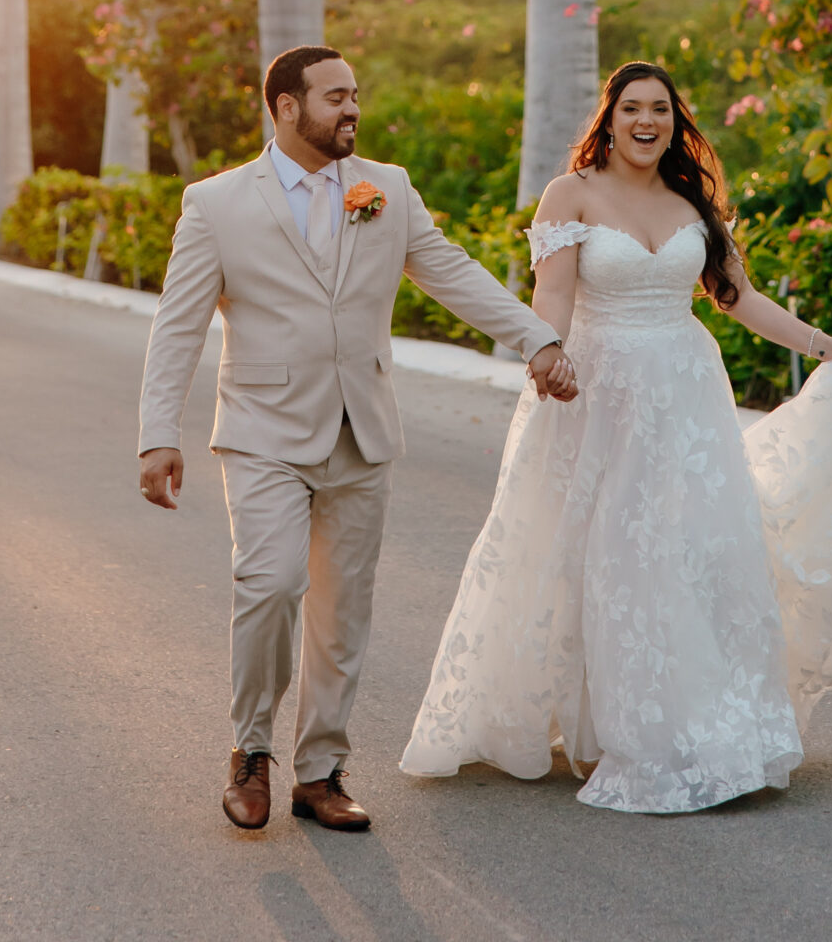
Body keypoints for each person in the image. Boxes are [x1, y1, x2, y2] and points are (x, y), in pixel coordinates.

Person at [401, 59, 832, 815]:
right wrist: (543, 360)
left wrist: (824, 344)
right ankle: (599, 728)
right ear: (607, 120)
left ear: (674, 125)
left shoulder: (691, 201)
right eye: (632, 109)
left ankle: (684, 722)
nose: (646, 122)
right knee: (602, 551)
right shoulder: (569, 195)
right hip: (596, 394)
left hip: (685, 401)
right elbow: (550, 298)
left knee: (684, 551)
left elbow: (737, 297)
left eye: (660, 111)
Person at [137, 44, 580, 834]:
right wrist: (156, 435)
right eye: (334, 97)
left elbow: (450, 271)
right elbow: (177, 327)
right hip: (263, 431)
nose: (352, 110)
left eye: (354, 95)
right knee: (269, 585)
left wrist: (536, 340)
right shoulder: (216, 204)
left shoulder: (386, 190)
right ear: (284, 108)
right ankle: (249, 752)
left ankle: (320, 771)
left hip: (361, 430)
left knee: (343, 614)